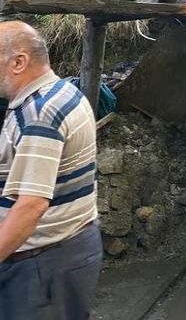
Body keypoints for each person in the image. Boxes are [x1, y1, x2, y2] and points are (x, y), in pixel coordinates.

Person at [0, 21, 101, 320]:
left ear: (19, 62)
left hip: (43, 265)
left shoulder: (39, 115)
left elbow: (31, 205)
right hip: (66, 250)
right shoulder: (61, 92)